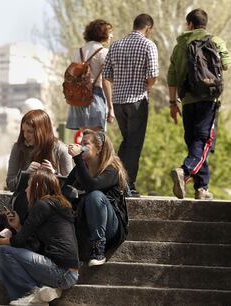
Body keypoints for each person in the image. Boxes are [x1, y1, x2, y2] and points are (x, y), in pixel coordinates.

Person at [0, 170, 79, 306]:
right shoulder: (56, 204)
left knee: (2, 252)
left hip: (62, 272)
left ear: (37, 187)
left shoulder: (43, 205)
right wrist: (18, 226)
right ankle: (35, 298)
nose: (25, 190)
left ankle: (32, 293)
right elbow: (33, 245)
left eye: (28, 185)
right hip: (64, 271)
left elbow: (18, 242)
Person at [167, 8, 230, 200]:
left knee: (195, 141)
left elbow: (172, 76)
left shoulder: (180, 46)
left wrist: (172, 103)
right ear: (205, 24)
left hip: (187, 100)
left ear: (190, 24)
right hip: (209, 101)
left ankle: (201, 188)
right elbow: (226, 64)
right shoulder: (216, 41)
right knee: (203, 141)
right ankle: (185, 171)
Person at [103, 14, 159, 197]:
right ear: (148, 28)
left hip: (118, 101)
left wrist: (123, 80)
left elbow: (107, 75)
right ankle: (127, 184)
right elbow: (152, 76)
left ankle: (114, 177)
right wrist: (144, 85)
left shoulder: (116, 45)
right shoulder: (148, 45)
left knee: (127, 142)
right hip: (137, 100)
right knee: (134, 144)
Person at [66, 129, 129, 267]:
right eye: (80, 143)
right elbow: (64, 189)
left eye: (85, 143)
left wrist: (77, 159)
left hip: (111, 227)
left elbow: (93, 186)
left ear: (98, 148)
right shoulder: (80, 169)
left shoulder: (112, 169)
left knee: (95, 196)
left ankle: (98, 250)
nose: (81, 146)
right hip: (86, 225)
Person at [6, 109, 73, 220]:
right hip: (23, 203)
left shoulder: (61, 150)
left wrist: (54, 174)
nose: (25, 135)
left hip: (52, 207)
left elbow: (71, 189)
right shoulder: (18, 149)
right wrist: (26, 174)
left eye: (30, 131)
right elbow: (10, 185)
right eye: (23, 131)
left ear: (42, 130)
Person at [66, 19, 115, 131]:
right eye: (110, 32)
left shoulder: (78, 52)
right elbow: (105, 80)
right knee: (96, 141)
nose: (111, 36)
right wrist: (110, 107)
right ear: (102, 33)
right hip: (95, 97)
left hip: (78, 100)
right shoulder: (103, 52)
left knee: (86, 140)